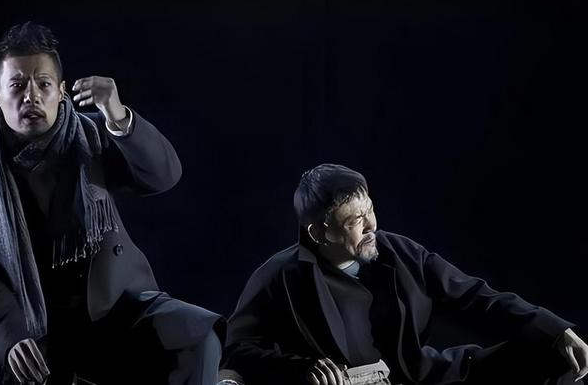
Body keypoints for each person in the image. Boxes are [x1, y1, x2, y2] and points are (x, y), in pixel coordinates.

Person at [0, 22, 224, 385]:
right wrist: (11, 338)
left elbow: (163, 176)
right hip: (38, 322)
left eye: (43, 84)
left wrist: (117, 115)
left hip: (118, 308)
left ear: (61, 91)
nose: (31, 96)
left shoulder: (93, 136)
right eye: (17, 85)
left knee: (198, 338)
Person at [221, 163, 588, 385]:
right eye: (354, 221)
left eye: (370, 210)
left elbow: (475, 296)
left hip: (423, 376)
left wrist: (556, 330)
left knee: (552, 354)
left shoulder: (398, 251)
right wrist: (301, 369)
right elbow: (238, 350)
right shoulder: (279, 276)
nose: (371, 225)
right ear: (319, 232)